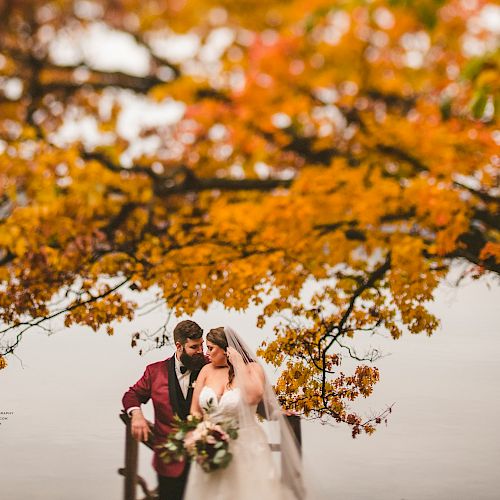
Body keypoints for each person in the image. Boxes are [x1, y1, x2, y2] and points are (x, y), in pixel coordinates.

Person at [184, 326, 307, 500]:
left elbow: (252, 397)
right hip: (210, 447)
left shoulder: (252, 369)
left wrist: (238, 363)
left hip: (246, 447)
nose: (207, 353)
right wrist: (197, 436)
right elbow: (195, 411)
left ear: (226, 350)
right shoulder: (206, 371)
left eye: (211, 348)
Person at [122, 320, 206, 500]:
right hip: (168, 460)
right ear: (179, 346)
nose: (201, 351)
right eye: (194, 347)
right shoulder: (154, 372)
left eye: (202, 345)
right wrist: (136, 415)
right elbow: (131, 395)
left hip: (204, 458)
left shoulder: (209, 367)